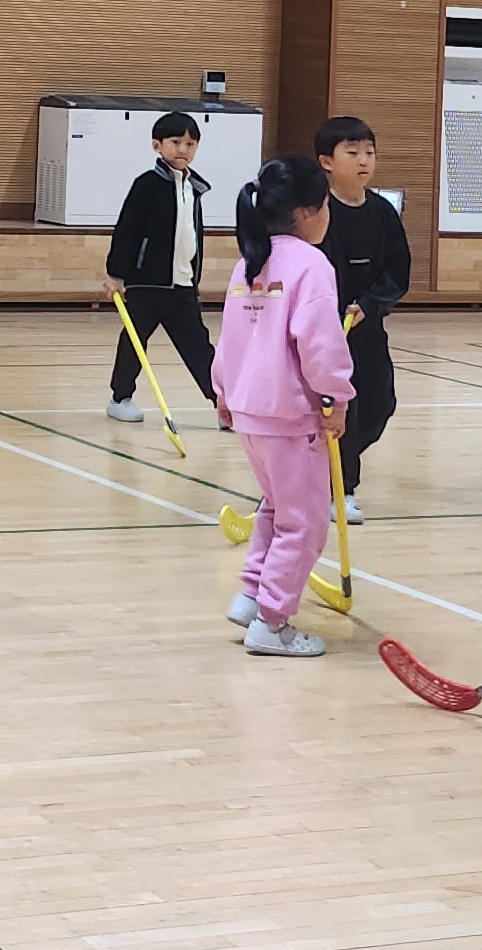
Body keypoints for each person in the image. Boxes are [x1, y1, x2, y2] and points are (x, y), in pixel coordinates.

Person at [212, 157, 354, 659]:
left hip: (249, 411)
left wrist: (223, 394)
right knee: (306, 522)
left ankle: (252, 594)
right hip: (291, 416)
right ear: (310, 211)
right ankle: (272, 622)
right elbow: (319, 343)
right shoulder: (311, 265)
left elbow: (229, 339)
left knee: (276, 509)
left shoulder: (249, 260)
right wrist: (335, 396)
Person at [311, 116, 412, 523]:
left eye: (369, 152)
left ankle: (328, 468)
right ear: (327, 161)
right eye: (352, 152)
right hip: (326, 330)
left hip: (367, 326)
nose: (363, 160)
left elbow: (398, 268)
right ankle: (342, 488)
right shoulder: (317, 211)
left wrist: (371, 302)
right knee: (341, 410)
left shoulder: (383, 212)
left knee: (380, 406)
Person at [101, 110, 221, 425]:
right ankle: (120, 397)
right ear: (158, 145)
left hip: (182, 286)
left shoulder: (194, 188)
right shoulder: (147, 185)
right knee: (134, 342)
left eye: (190, 143)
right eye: (176, 142)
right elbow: (127, 230)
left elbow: (192, 234)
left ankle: (223, 403)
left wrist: (194, 275)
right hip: (147, 284)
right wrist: (116, 272)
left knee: (199, 347)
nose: (183, 149)